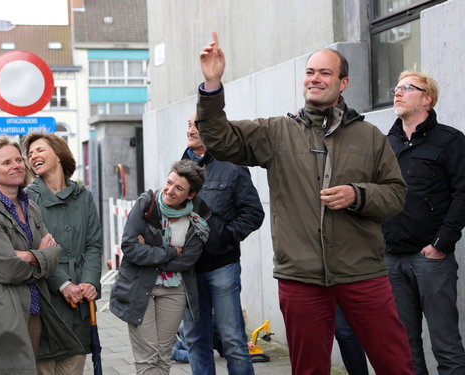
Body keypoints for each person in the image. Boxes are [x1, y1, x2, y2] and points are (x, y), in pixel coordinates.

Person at [194, 32, 414, 375]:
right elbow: (219, 140)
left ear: (343, 83)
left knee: (396, 363)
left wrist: (358, 195)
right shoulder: (276, 132)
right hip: (301, 277)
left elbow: (396, 195)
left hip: (363, 273)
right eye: (310, 72)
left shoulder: (369, 135)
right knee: (308, 370)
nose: (315, 78)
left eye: (325, 73)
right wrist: (211, 85)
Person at [383, 70, 465, 375]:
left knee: (446, 345)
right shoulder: (386, 143)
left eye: (407, 87)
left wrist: (443, 242)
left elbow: (462, 192)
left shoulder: (450, 140)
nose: (398, 92)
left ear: (427, 99)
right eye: (397, 87)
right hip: (391, 259)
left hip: (430, 257)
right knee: (404, 347)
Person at [0, 136, 83, 374]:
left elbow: (54, 251)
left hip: (34, 310)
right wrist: (40, 254)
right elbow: (8, 269)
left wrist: (29, 255)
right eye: (6, 162)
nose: (17, 165)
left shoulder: (30, 206)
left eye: (19, 159)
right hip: (2, 315)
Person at [181, 113, 264, 375]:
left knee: (233, 341)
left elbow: (254, 213)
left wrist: (225, 237)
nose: (190, 129)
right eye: (188, 124)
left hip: (222, 267)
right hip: (189, 269)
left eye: (196, 124)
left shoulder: (232, 165)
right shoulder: (181, 168)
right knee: (196, 340)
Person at [110, 160, 211, 375]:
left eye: (179, 188)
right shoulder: (147, 203)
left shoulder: (198, 218)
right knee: (147, 358)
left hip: (174, 291)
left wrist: (148, 250)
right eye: (169, 182)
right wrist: (171, 252)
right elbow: (129, 247)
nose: (170, 190)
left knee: (163, 357)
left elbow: (188, 260)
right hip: (139, 288)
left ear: (190, 195)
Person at [23, 133, 103, 374]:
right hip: (46, 298)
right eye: (30, 154)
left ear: (58, 154)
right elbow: (34, 249)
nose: (33, 156)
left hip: (79, 302)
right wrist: (64, 283)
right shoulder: (27, 198)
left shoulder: (84, 196)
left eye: (39, 150)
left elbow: (94, 245)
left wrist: (89, 282)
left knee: (74, 367)